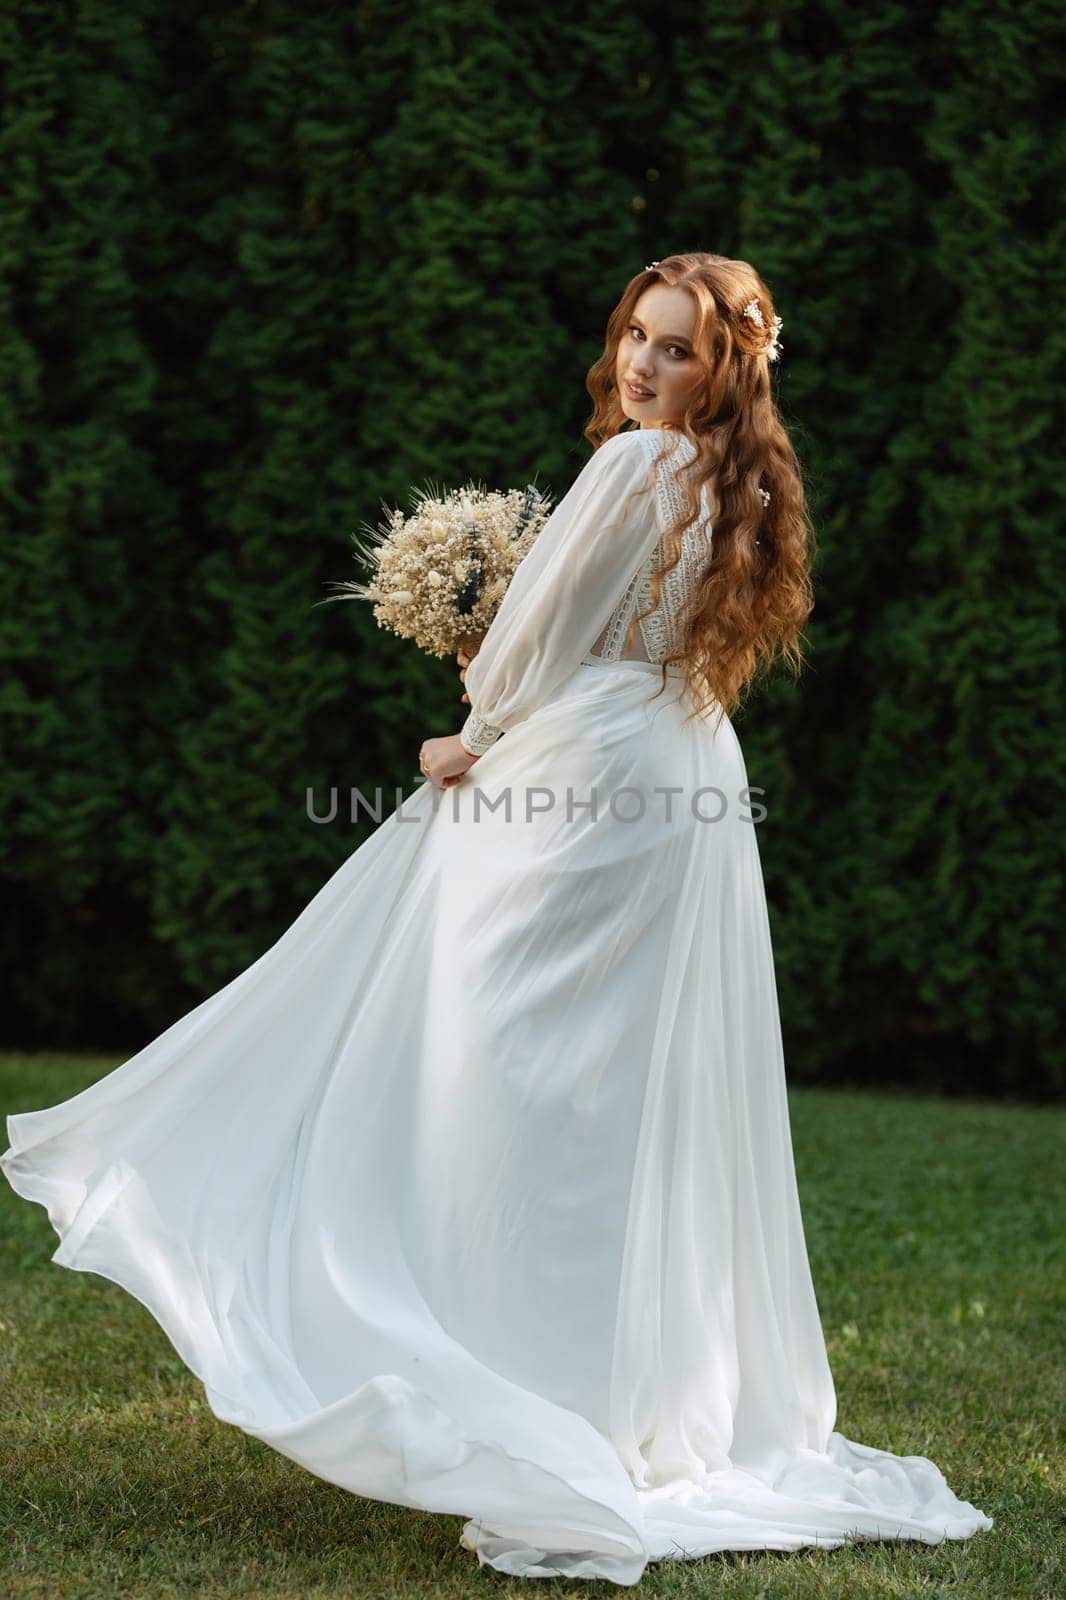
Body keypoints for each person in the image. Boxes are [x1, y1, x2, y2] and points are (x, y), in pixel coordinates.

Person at [1, 253, 992, 1584]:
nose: (644, 366)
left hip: (579, 781)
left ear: (725, 365)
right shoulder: (731, 479)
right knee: (622, 1092)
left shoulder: (637, 466)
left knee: (496, 1067)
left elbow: (535, 642)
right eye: (635, 338)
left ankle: (488, 1368)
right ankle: (613, 1394)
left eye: (678, 348)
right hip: (680, 765)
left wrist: (466, 730)